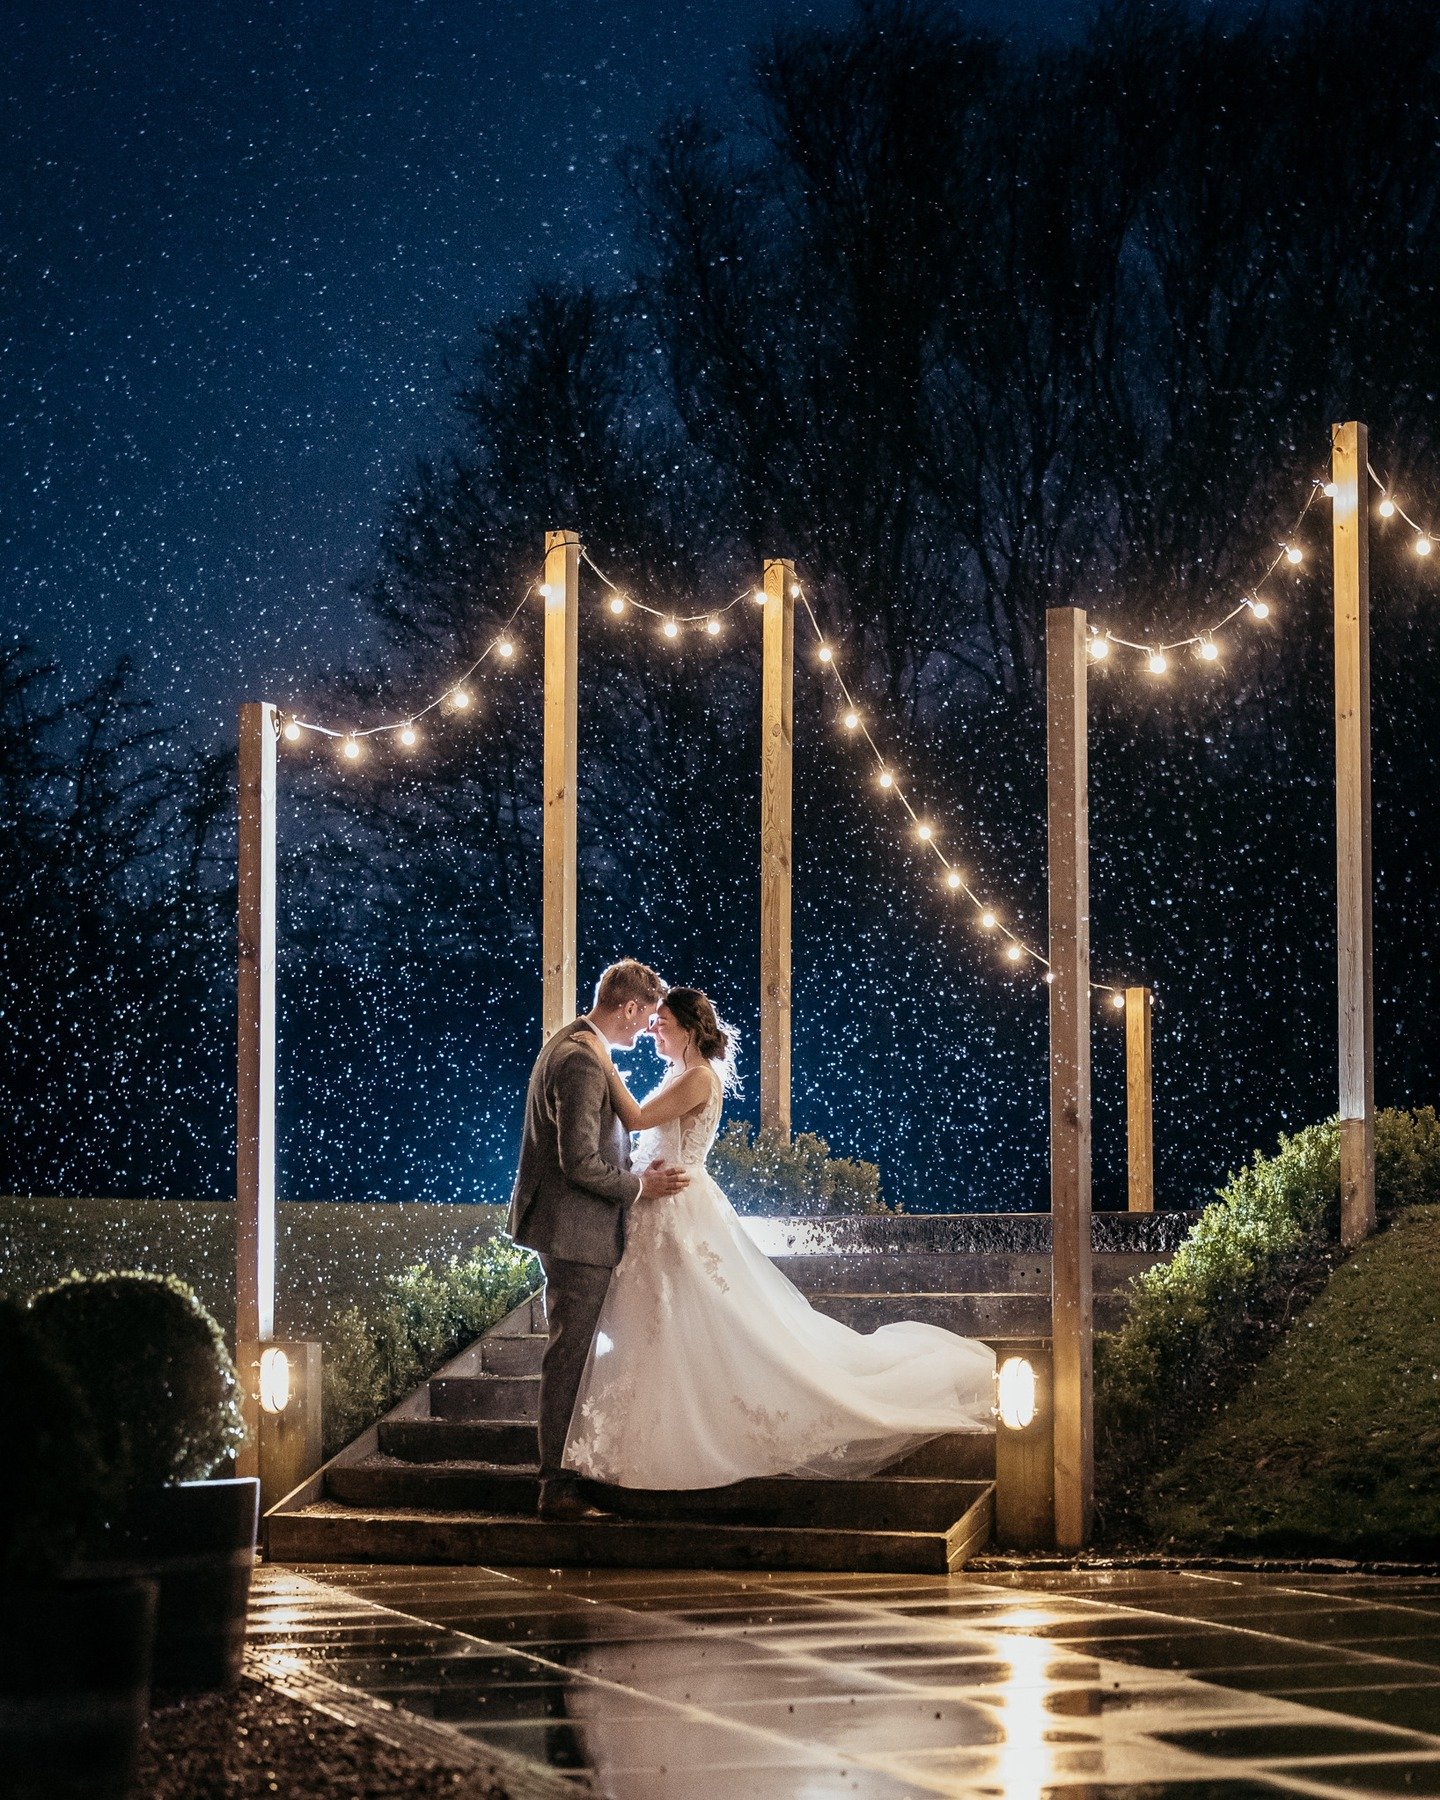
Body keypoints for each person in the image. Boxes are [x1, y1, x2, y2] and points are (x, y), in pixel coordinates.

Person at [564, 986, 996, 1491]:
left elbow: (636, 1119)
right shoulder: (681, 1074)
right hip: (656, 1206)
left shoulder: (698, 1077)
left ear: (687, 1028)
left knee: (684, 1316)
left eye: (662, 1021)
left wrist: (601, 1055)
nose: (654, 1028)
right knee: (659, 1321)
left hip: (676, 1209)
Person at [507, 960, 687, 1521]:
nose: (645, 1030)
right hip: (577, 1235)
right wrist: (643, 1185)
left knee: (575, 1353)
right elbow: (580, 1162)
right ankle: (556, 1486)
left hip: (571, 1230)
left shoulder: (570, 1041)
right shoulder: (583, 1061)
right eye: (645, 1017)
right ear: (628, 1007)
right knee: (570, 1356)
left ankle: (573, 1472)